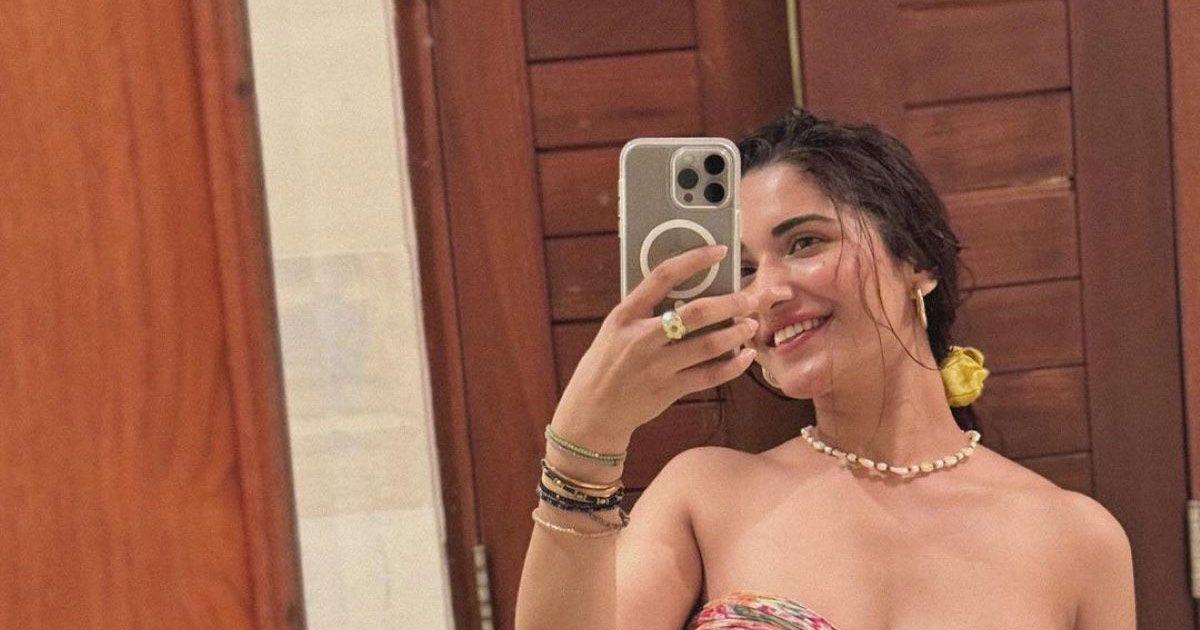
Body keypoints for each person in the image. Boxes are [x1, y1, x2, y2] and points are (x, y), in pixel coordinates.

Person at [515, 108, 1135, 630]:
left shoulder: (1079, 541)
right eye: (745, 270)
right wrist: (585, 440)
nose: (766, 294)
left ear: (918, 259)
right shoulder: (703, 497)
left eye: (805, 243)